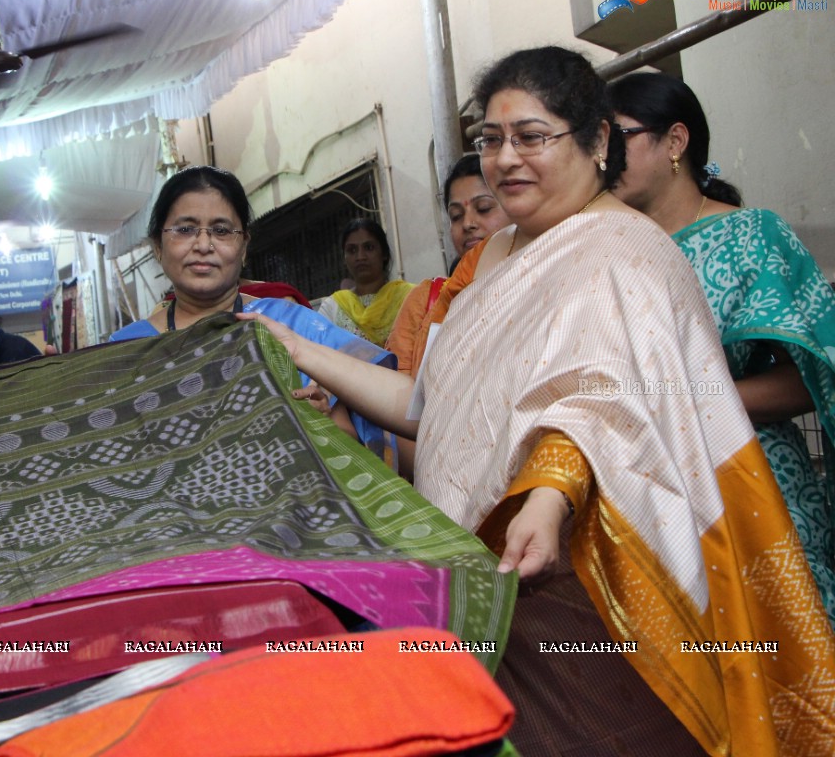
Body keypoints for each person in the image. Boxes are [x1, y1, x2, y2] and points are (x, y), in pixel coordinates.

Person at [245, 47, 835, 755]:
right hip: (488, 571)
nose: (505, 160)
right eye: (491, 140)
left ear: (596, 142)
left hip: (584, 568)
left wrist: (547, 499)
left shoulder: (625, 252)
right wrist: (304, 350)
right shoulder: (491, 260)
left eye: (532, 137)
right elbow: (429, 408)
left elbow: (603, 405)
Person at [610, 71, 835, 623]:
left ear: (676, 143)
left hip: (751, 475)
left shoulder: (751, 235)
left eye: (617, 140)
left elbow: (807, 379)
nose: (603, 159)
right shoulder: (608, 251)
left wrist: (686, 402)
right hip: (650, 496)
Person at [110, 165, 395, 455]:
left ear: (244, 246)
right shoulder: (123, 350)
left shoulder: (290, 325)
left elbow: (356, 439)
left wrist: (318, 424)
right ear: (158, 244)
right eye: (185, 229)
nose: (204, 244)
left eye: (221, 230)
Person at [387, 153, 510, 377]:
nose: (468, 224)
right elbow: (397, 391)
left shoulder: (543, 281)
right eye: (456, 216)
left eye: (483, 208)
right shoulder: (425, 300)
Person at [315, 219, 413, 347]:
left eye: (369, 247)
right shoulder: (332, 307)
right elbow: (320, 352)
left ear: (384, 254)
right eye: (352, 250)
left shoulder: (409, 297)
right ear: (344, 258)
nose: (360, 256)